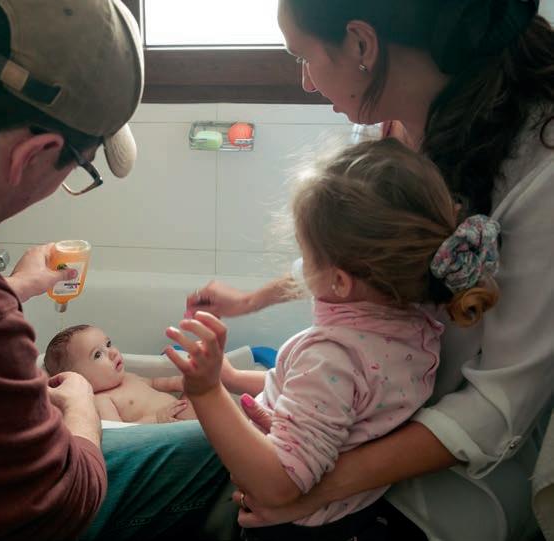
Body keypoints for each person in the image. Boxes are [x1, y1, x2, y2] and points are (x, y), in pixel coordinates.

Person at [186, 1, 554, 539]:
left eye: (303, 58)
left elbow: (497, 407)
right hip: (364, 424)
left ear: (362, 44)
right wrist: (253, 300)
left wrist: (308, 487)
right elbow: (357, 255)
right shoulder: (389, 121)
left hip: (453, 478)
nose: (306, 82)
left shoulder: (541, 169)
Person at [0, 1, 228, 540]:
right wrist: (82, 408)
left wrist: (12, 288)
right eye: (79, 169)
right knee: (225, 447)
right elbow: (58, 508)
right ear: (35, 153)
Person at [168, 138, 500, 539]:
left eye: (306, 256)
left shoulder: (332, 356)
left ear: (340, 281)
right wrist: (235, 378)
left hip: (288, 527)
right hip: (352, 514)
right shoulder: (416, 324)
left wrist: (206, 392)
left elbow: (277, 485)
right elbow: (337, 403)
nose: (300, 269)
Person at [45, 324, 197, 423]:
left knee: (200, 387)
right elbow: (121, 433)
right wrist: (156, 419)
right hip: (171, 425)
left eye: (108, 344)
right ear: (77, 378)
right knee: (202, 399)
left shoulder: (127, 377)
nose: (112, 352)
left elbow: (157, 383)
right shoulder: (102, 401)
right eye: (98, 355)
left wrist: (181, 382)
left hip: (181, 411)